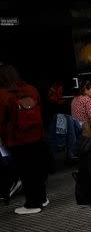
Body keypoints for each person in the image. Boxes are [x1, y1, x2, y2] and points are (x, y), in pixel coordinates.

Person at [0, 64, 49, 214]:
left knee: (26, 171)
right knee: (38, 169)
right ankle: (42, 198)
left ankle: (32, 204)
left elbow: (1, 120)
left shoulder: (3, 94)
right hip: (38, 135)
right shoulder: (31, 89)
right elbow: (41, 108)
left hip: (18, 139)